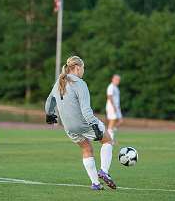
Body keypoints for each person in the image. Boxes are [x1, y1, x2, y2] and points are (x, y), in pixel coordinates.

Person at [45, 56, 116, 190]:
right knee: (107, 140)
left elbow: (50, 101)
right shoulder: (79, 83)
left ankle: (95, 183)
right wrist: (94, 125)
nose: (83, 71)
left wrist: (50, 116)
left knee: (86, 149)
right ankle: (104, 171)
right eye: (83, 68)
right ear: (77, 68)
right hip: (84, 122)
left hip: (68, 127)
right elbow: (85, 109)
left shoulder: (59, 81)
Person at [106, 74, 123, 143]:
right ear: (112, 79)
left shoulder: (116, 87)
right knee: (112, 122)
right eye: (116, 79)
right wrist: (113, 107)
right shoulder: (111, 86)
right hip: (112, 107)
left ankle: (109, 134)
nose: (118, 81)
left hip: (116, 107)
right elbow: (109, 96)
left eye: (119, 80)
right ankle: (110, 139)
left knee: (120, 121)